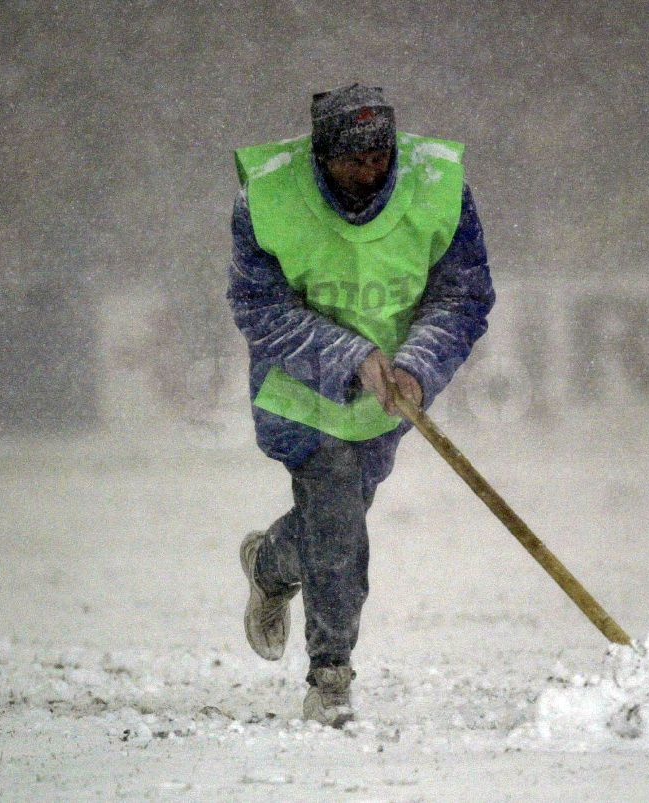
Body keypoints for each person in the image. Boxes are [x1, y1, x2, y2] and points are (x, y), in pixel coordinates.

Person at [227, 84, 494, 726]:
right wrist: (346, 356)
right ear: (320, 156)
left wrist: (418, 366)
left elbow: (463, 296)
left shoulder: (439, 185)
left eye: (379, 157)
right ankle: (331, 675)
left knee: (333, 525)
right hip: (299, 389)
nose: (369, 172)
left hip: (391, 398)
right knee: (336, 501)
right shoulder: (266, 195)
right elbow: (257, 306)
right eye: (352, 160)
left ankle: (269, 564)